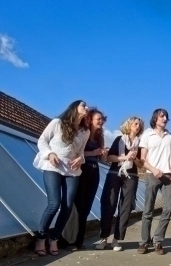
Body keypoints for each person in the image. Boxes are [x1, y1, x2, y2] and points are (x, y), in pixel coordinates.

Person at [33, 100, 89, 256]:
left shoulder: (85, 132)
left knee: (68, 205)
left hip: (72, 170)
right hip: (53, 167)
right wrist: (49, 154)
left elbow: (81, 152)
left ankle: (54, 238)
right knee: (54, 203)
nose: (87, 108)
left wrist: (81, 159)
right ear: (74, 108)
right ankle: (41, 237)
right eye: (83, 105)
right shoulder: (57, 123)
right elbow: (42, 140)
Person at [96, 116, 144, 251]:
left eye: (139, 124)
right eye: (135, 123)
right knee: (108, 204)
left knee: (126, 207)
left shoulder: (140, 143)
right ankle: (104, 238)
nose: (138, 126)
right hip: (115, 174)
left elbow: (141, 164)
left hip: (132, 176)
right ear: (129, 125)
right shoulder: (119, 139)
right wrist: (125, 157)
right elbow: (110, 157)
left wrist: (134, 159)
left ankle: (116, 240)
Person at [137, 108, 171, 255]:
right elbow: (142, 159)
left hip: (168, 176)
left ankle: (158, 241)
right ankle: (144, 242)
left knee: (168, 208)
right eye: (162, 116)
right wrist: (153, 169)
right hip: (152, 174)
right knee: (148, 210)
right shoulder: (147, 135)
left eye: (166, 116)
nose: (165, 118)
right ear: (155, 118)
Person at [67, 108, 107, 251]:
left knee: (87, 207)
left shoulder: (100, 136)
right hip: (82, 170)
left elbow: (102, 159)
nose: (101, 122)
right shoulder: (83, 133)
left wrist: (103, 154)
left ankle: (79, 241)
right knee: (78, 205)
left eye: (102, 119)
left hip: (94, 171)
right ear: (90, 119)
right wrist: (93, 152)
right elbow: (77, 152)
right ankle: (70, 240)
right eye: (98, 119)